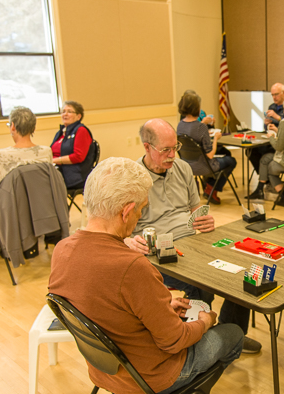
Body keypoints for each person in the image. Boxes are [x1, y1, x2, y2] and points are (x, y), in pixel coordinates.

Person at [48, 157, 243, 394]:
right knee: (233, 333)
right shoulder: (132, 267)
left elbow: (106, 303)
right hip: (150, 377)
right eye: (141, 209)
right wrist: (205, 322)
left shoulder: (62, 250)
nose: (141, 216)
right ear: (127, 211)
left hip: (103, 370)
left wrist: (159, 305)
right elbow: (174, 341)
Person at [124, 119, 262, 354]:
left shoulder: (183, 168)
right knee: (201, 286)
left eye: (174, 147)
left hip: (192, 242)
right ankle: (202, 340)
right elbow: (119, 229)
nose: (171, 155)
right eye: (164, 150)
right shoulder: (132, 178)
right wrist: (128, 241)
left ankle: (232, 333)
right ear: (147, 147)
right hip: (158, 253)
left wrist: (204, 219)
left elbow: (194, 210)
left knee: (242, 271)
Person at [246, 95, 284, 207]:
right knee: (266, 159)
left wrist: (271, 136)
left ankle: (282, 196)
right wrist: (277, 130)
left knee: (270, 166)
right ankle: (260, 190)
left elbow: (279, 147)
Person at [176, 91, 237, 205]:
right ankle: (211, 187)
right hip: (203, 166)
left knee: (224, 155)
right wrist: (216, 139)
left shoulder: (180, 125)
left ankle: (209, 184)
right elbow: (210, 154)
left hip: (187, 165)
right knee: (231, 161)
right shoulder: (201, 127)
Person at [0, 106, 52, 183]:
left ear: (12, 126)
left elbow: (1, 187)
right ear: (34, 128)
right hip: (41, 194)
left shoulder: (2, 154)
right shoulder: (46, 151)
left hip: (15, 195)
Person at [50, 100, 96, 189]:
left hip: (75, 175)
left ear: (79, 116)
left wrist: (54, 161)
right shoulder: (60, 132)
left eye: (69, 111)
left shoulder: (81, 131)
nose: (65, 114)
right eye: (63, 111)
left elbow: (78, 156)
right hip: (58, 170)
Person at [248, 82, 284, 172]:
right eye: (272, 95)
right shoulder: (271, 107)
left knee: (265, 155)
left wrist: (277, 117)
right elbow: (266, 128)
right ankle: (264, 177)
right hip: (269, 139)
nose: (274, 97)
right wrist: (266, 124)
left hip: (280, 142)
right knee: (251, 151)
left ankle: (265, 177)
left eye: (276, 94)